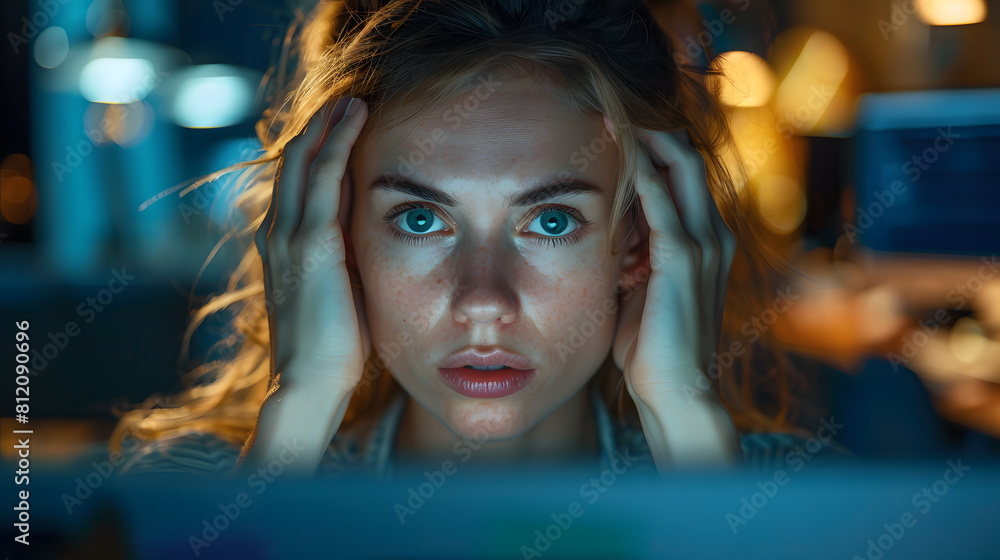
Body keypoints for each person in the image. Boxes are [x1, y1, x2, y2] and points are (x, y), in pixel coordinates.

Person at [113, 0, 849, 480]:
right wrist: (298, 415)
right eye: (420, 219)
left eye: (551, 222)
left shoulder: (793, 495)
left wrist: (689, 421)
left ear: (643, 243)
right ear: (330, 237)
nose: (484, 304)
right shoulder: (188, 493)